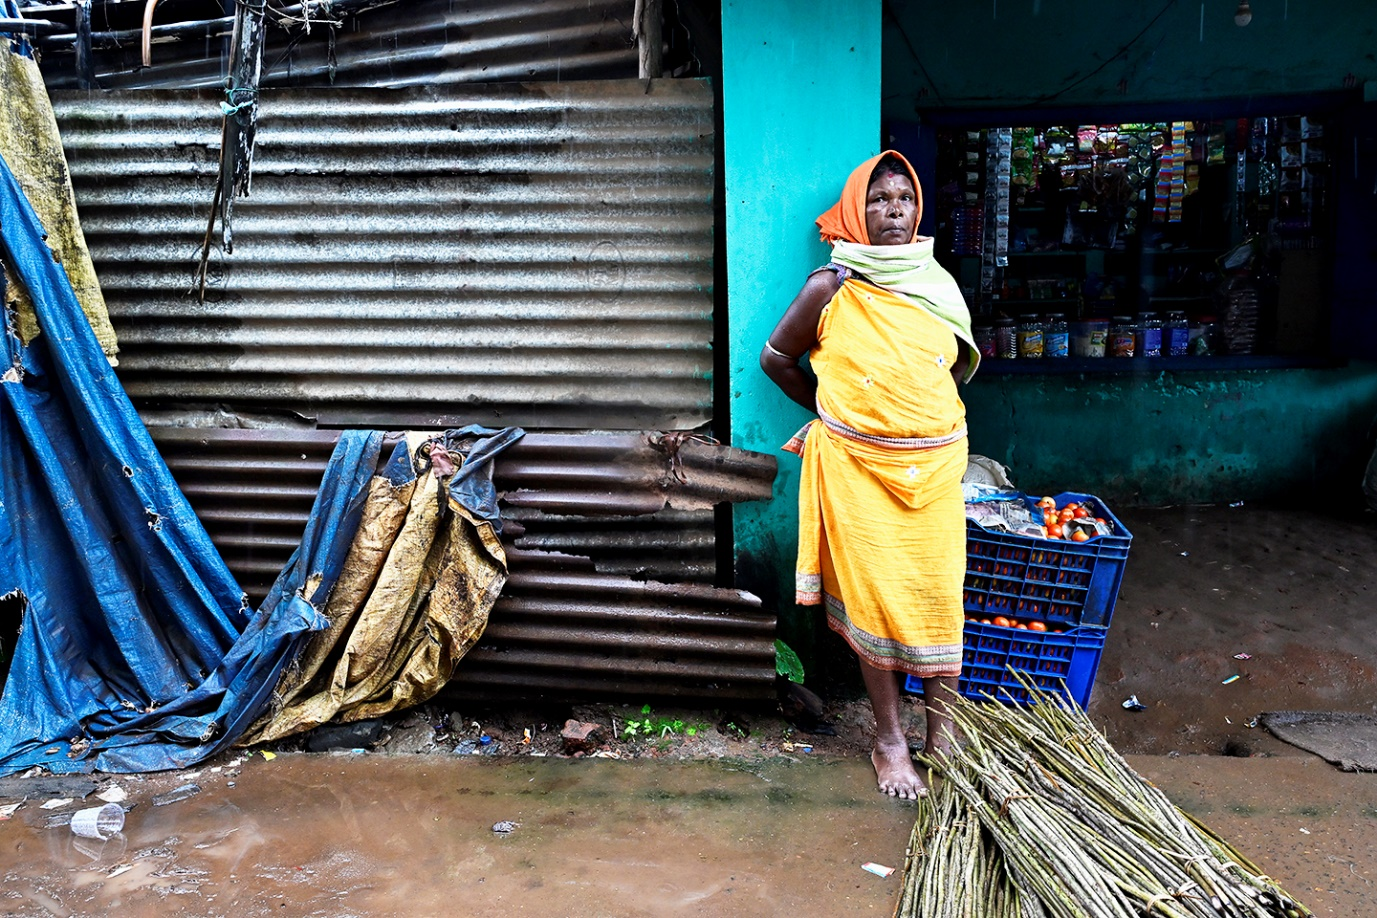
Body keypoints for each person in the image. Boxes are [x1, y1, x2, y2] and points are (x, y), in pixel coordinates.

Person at [760, 151, 979, 800]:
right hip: (858, 470)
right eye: (880, 200)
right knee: (875, 603)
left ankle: (945, 734)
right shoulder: (831, 286)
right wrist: (835, 414)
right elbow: (775, 356)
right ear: (859, 210)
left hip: (936, 469)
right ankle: (888, 739)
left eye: (904, 200)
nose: (893, 211)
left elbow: (952, 364)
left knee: (941, 598)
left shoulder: (935, 282)